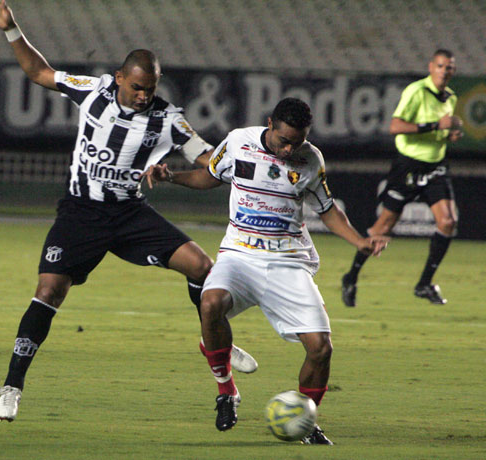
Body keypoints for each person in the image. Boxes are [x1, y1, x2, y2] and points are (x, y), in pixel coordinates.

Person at [0, 0, 257, 422]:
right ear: (119, 79)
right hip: (80, 213)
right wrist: (11, 29)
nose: (145, 95)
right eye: (137, 88)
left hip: (129, 214)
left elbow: (207, 158)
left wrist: (240, 166)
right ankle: (12, 386)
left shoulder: (168, 119)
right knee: (49, 292)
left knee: (204, 267)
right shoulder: (92, 90)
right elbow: (39, 72)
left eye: (150, 87)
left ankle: (214, 336)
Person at [143, 98, 389, 443]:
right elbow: (209, 177)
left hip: (288, 260)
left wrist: (359, 241)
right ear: (269, 124)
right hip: (239, 255)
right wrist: (173, 176)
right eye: (283, 140)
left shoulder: (310, 159)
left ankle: (307, 418)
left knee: (321, 348)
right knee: (210, 304)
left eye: (297, 142)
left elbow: (328, 209)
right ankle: (226, 391)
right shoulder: (238, 141)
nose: (289, 148)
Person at [341, 49, 463, 307]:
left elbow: (442, 130)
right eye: (440, 66)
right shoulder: (416, 91)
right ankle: (351, 276)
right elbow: (396, 127)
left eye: (449, 67)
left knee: (448, 222)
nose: (444, 71)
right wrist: (434, 126)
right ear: (431, 67)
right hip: (407, 167)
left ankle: (424, 284)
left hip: (435, 167)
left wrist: (449, 134)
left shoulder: (450, 97)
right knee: (382, 228)